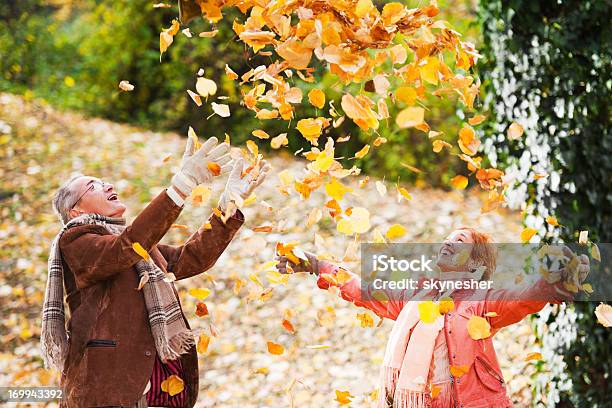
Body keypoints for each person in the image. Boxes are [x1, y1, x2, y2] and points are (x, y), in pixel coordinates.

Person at [41, 136, 270, 408]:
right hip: (110, 388)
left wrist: (229, 205)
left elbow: (191, 258)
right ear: (75, 210)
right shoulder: (76, 241)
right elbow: (124, 248)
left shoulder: (139, 248)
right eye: (94, 186)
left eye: (104, 182)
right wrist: (181, 187)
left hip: (159, 386)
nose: (108, 185)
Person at [275, 227, 590, 408]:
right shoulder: (415, 296)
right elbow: (363, 290)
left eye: (461, 240)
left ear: (475, 262)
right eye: (448, 238)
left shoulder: (483, 300)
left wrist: (555, 281)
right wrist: (317, 265)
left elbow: (520, 298)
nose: (449, 242)